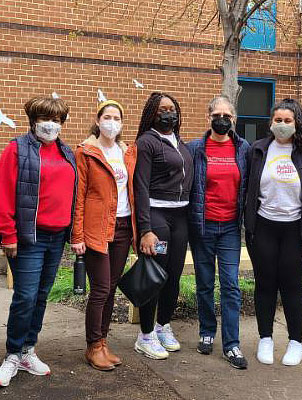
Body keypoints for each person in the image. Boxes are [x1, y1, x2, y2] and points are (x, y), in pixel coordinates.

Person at [0, 96, 76, 387]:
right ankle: (12, 355)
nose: (51, 125)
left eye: (57, 120)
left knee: (40, 296)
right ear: (33, 120)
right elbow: (2, 193)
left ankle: (28, 350)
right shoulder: (17, 149)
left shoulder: (66, 153)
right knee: (25, 297)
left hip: (56, 238)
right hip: (29, 238)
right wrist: (8, 234)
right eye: (45, 119)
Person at [244, 98, 302, 366]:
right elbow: (247, 190)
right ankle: (265, 338)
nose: (282, 125)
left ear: (296, 123)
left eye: (287, 120)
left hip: (295, 229)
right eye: (277, 120)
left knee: (291, 286)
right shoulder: (258, 150)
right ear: (271, 123)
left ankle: (295, 342)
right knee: (265, 284)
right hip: (263, 226)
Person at [70, 100, 137, 371]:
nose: (112, 122)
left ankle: (103, 342)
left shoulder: (126, 152)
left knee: (110, 288)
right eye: (107, 117)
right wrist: (77, 235)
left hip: (122, 226)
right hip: (97, 228)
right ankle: (92, 346)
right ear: (97, 121)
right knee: (99, 289)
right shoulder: (86, 152)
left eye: (117, 118)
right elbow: (79, 197)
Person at [187, 95, 250, 369]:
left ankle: (232, 344)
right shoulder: (195, 148)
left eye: (227, 115)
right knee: (204, 283)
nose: (222, 120)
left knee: (231, 285)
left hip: (230, 229)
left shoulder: (243, 148)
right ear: (208, 117)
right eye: (217, 115)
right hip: (203, 226)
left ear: (234, 119)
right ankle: (206, 332)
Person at [133, 92, 193, 360]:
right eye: (162, 110)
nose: (169, 113)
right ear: (152, 114)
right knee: (154, 276)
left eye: (172, 108)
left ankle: (163, 325)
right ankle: (145, 335)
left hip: (181, 217)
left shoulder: (181, 143)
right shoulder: (147, 142)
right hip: (157, 216)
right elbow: (141, 187)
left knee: (173, 275)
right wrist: (145, 229)